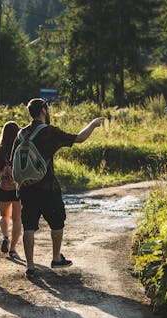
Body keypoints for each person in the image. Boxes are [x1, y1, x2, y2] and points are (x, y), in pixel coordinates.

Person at [12, 98, 104, 278]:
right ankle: (56, 257)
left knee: (28, 226)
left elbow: (13, 159)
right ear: (44, 111)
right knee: (57, 222)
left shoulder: (21, 134)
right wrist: (93, 124)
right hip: (47, 187)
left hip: (26, 187)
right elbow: (79, 138)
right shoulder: (49, 132)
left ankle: (30, 267)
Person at [0, 121, 22, 259]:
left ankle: (5, 237)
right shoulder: (20, 148)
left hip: (2, 187)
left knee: (4, 216)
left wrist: (1, 178)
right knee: (17, 219)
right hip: (17, 188)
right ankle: (13, 249)